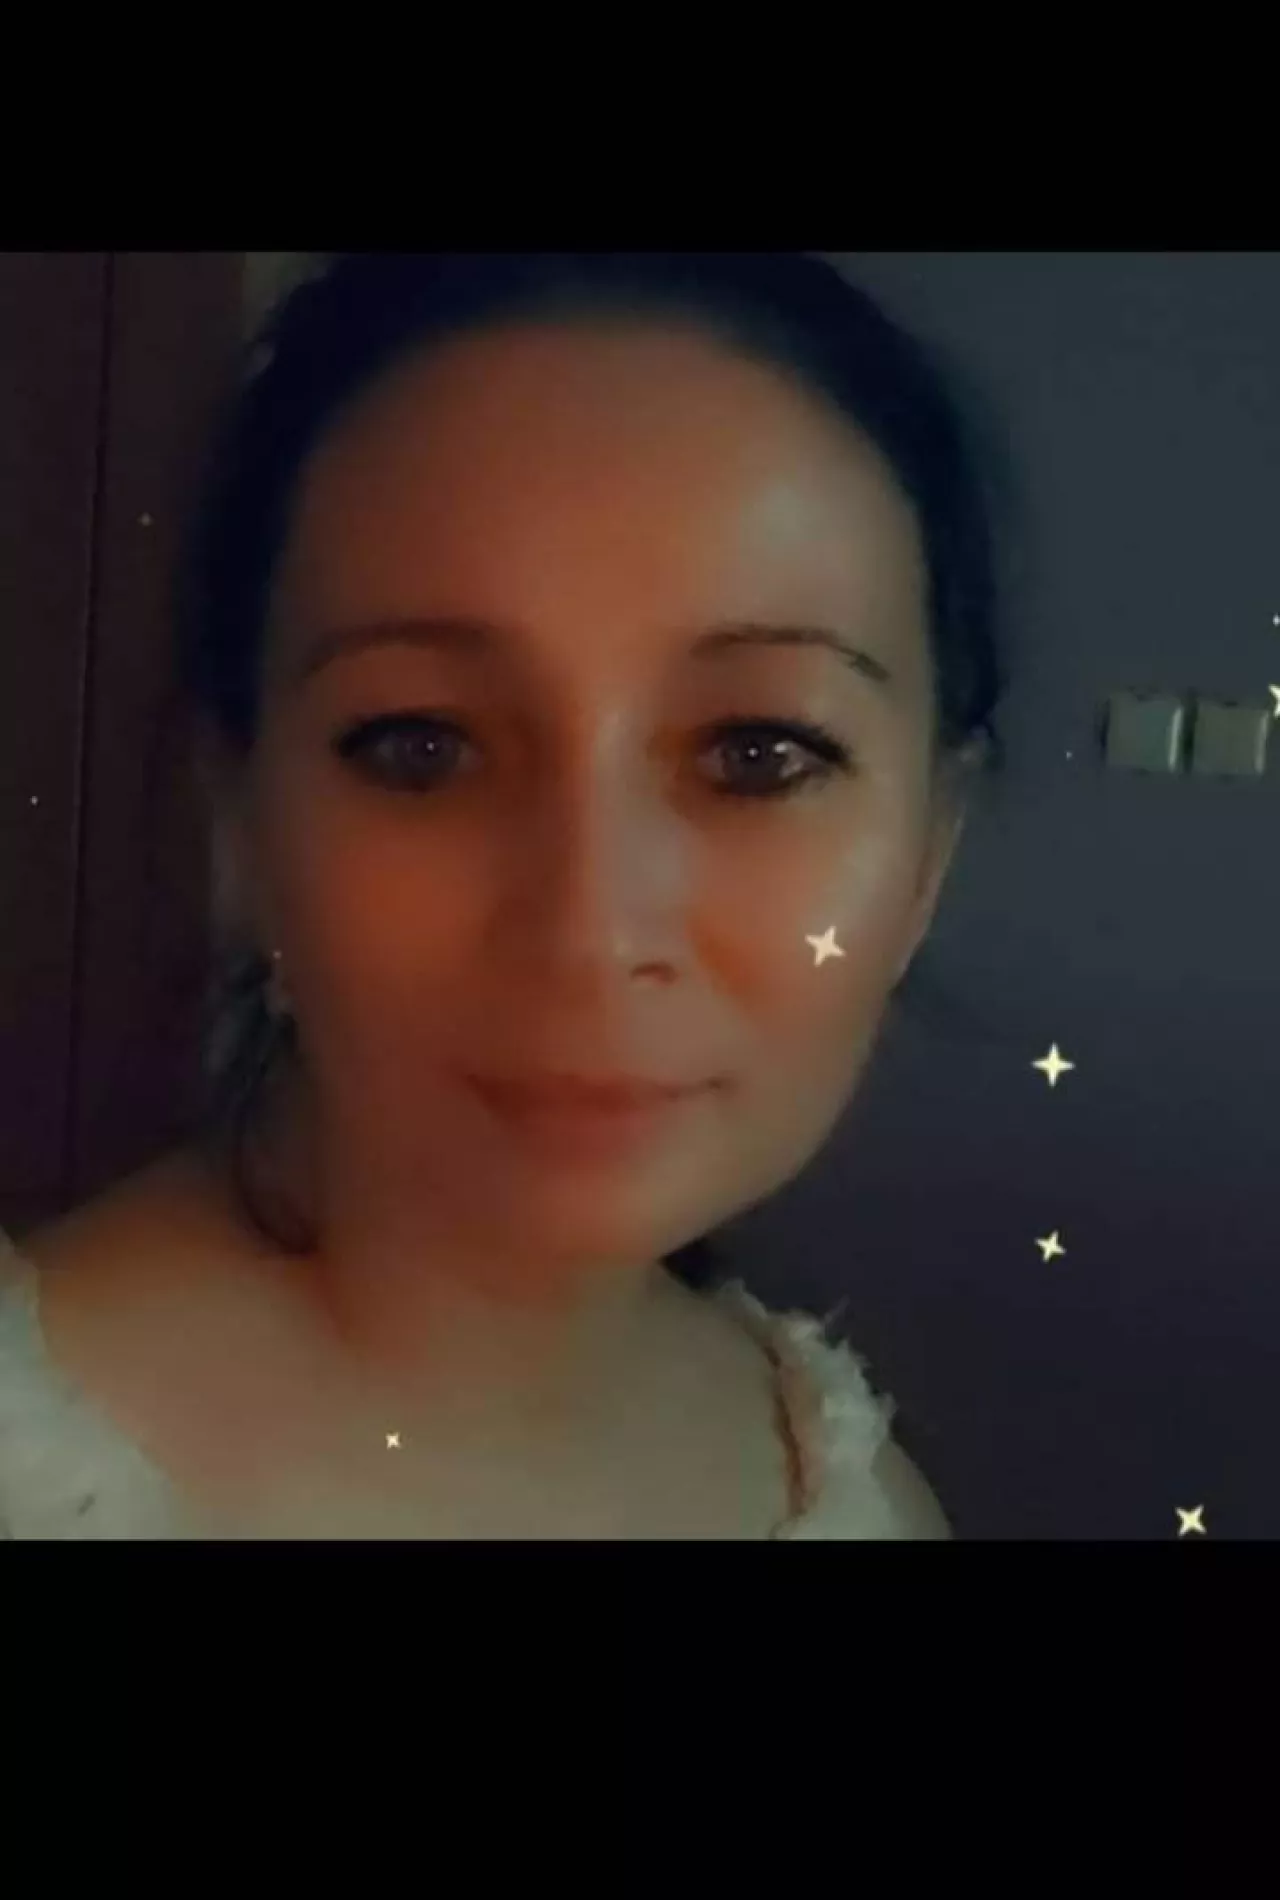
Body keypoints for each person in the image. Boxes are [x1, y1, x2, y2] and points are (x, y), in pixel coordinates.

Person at [0, 252, 1006, 1539]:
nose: (590, 930)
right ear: (243, 826)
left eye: (758, 753)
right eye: (420, 746)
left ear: (926, 854)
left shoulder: (848, 1487)